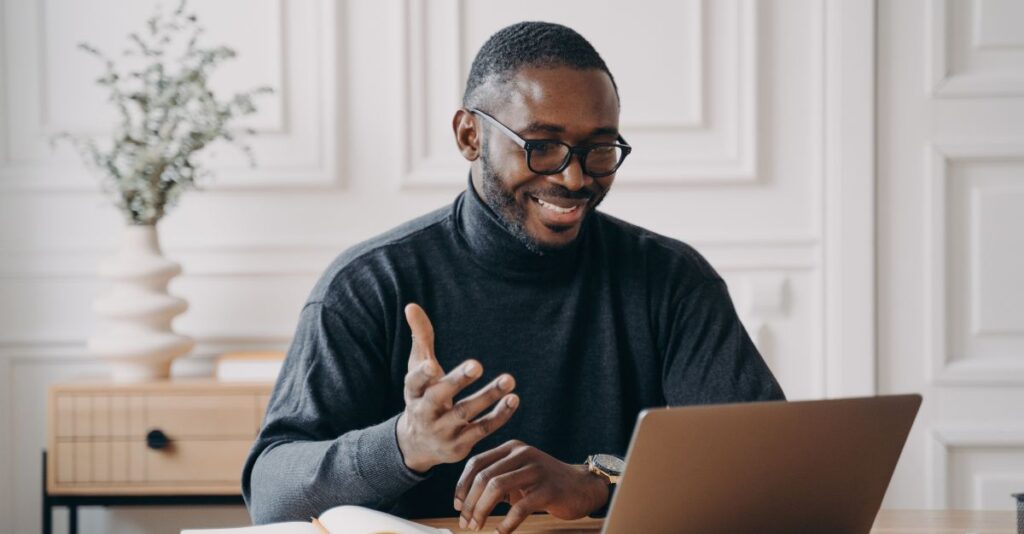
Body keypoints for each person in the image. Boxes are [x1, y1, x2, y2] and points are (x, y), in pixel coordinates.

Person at [242, 21, 784, 534]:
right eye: (541, 146)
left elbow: (766, 469)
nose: (574, 177)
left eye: (599, 149)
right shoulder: (367, 285)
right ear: (469, 135)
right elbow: (270, 492)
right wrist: (407, 443)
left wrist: (596, 480)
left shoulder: (672, 280)